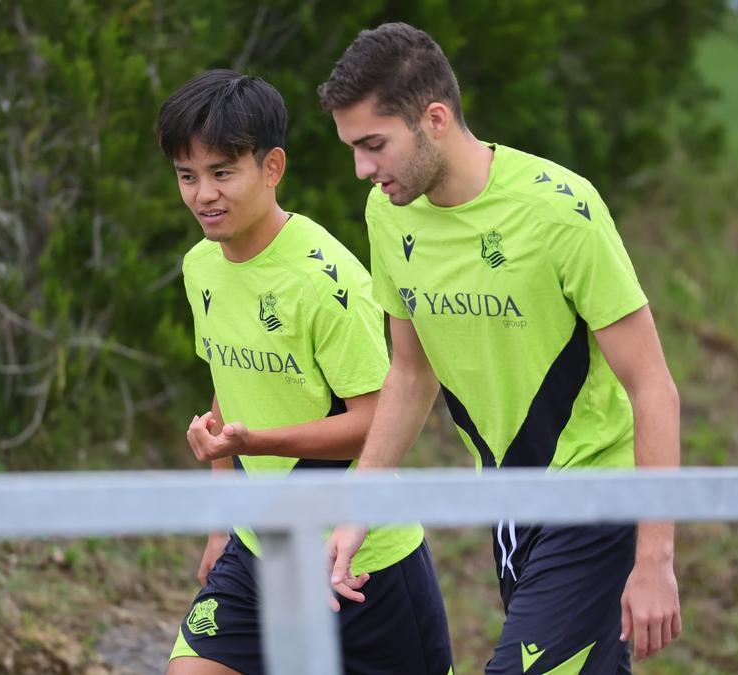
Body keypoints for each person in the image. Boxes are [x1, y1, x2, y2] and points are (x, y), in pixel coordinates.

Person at [317, 22, 683, 673]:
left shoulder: (560, 210)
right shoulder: (387, 212)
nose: (362, 169)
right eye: (352, 148)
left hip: (595, 496)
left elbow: (652, 385)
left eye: (374, 144)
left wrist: (655, 557)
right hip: (509, 506)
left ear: (434, 119)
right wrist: (359, 507)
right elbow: (409, 371)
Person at [157, 69, 453, 675]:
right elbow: (226, 383)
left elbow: (374, 422)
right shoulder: (200, 268)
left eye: (221, 173)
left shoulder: (326, 281)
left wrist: (256, 442)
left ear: (272, 168)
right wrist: (222, 522)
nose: (202, 195)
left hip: (363, 560)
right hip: (260, 546)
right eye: (188, 176)